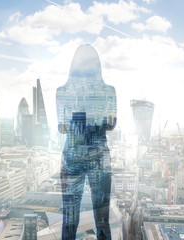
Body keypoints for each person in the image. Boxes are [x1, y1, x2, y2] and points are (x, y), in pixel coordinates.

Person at [56, 44, 117, 240]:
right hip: (98, 157)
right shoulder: (108, 90)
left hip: (73, 156)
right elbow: (111, 124)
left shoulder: (62, 91)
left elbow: (62, 127)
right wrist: (95, 117)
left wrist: (78, 116)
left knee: (70, 221)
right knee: (102, 221)